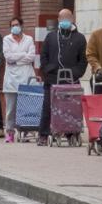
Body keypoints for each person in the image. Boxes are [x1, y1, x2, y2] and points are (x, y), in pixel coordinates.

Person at [38, 9, 87, 145]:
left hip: (71, 80)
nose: (65, 20)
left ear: (72, 19)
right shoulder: (51, 37)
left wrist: (75, 73)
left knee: (71, 109)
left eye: (68, 17)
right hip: (52, 79)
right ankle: (43, 134)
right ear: (58, 19)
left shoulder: (80, 38)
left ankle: (72, 133)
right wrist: (49, 70)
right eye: (62, 17)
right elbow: (43, 56)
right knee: (48, 107)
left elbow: (83, 60)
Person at [2, 16, 36, 143]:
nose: (14, 27)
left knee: (27, 107)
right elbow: (8, 57)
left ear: (22, 26)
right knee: (10, 109)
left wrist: (16, 60)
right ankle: (10, 133)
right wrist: (23, 56)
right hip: (11, 80)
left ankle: (25, 132)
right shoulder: (7, 39)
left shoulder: (29, 39)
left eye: (16, 24)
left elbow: (31, 57)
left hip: (27, 77)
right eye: (12, 25)